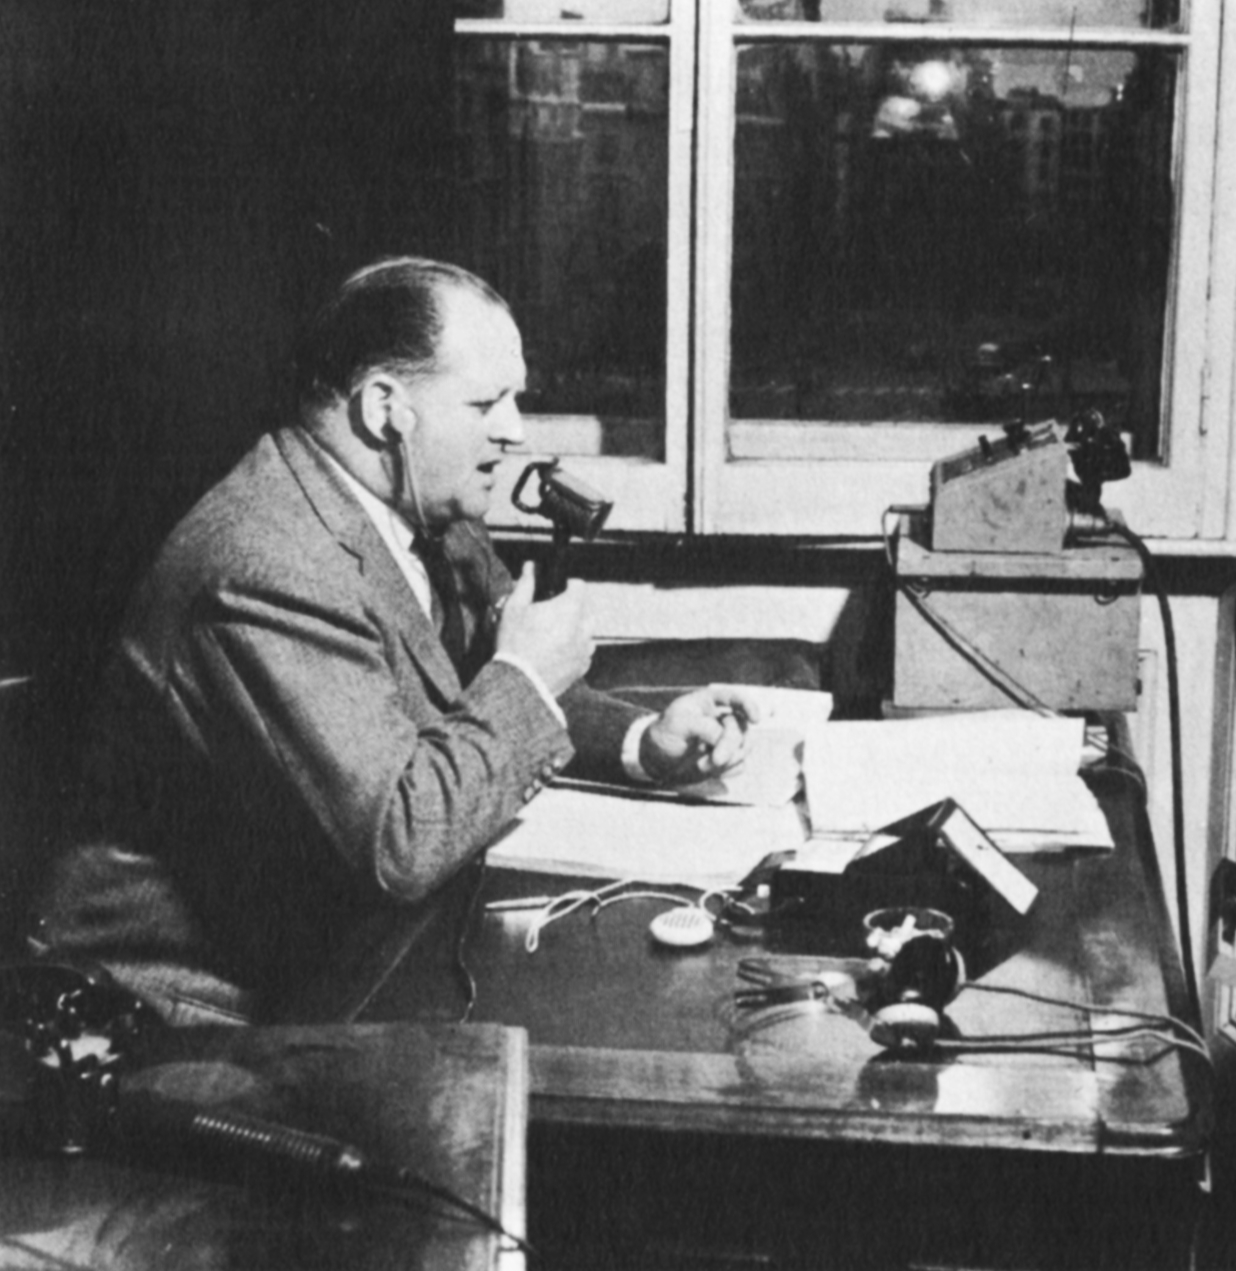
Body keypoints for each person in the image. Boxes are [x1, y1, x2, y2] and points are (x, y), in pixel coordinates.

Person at [33, 257, 757, 1026]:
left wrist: (646, 744)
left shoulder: (429, 509)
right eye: (486, 402)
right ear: (386, 408)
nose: (514, 429)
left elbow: (496, 693)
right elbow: (400, 839)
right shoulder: (266, 566)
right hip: (185, 1024)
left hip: (359, 949)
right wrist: (525, 674)